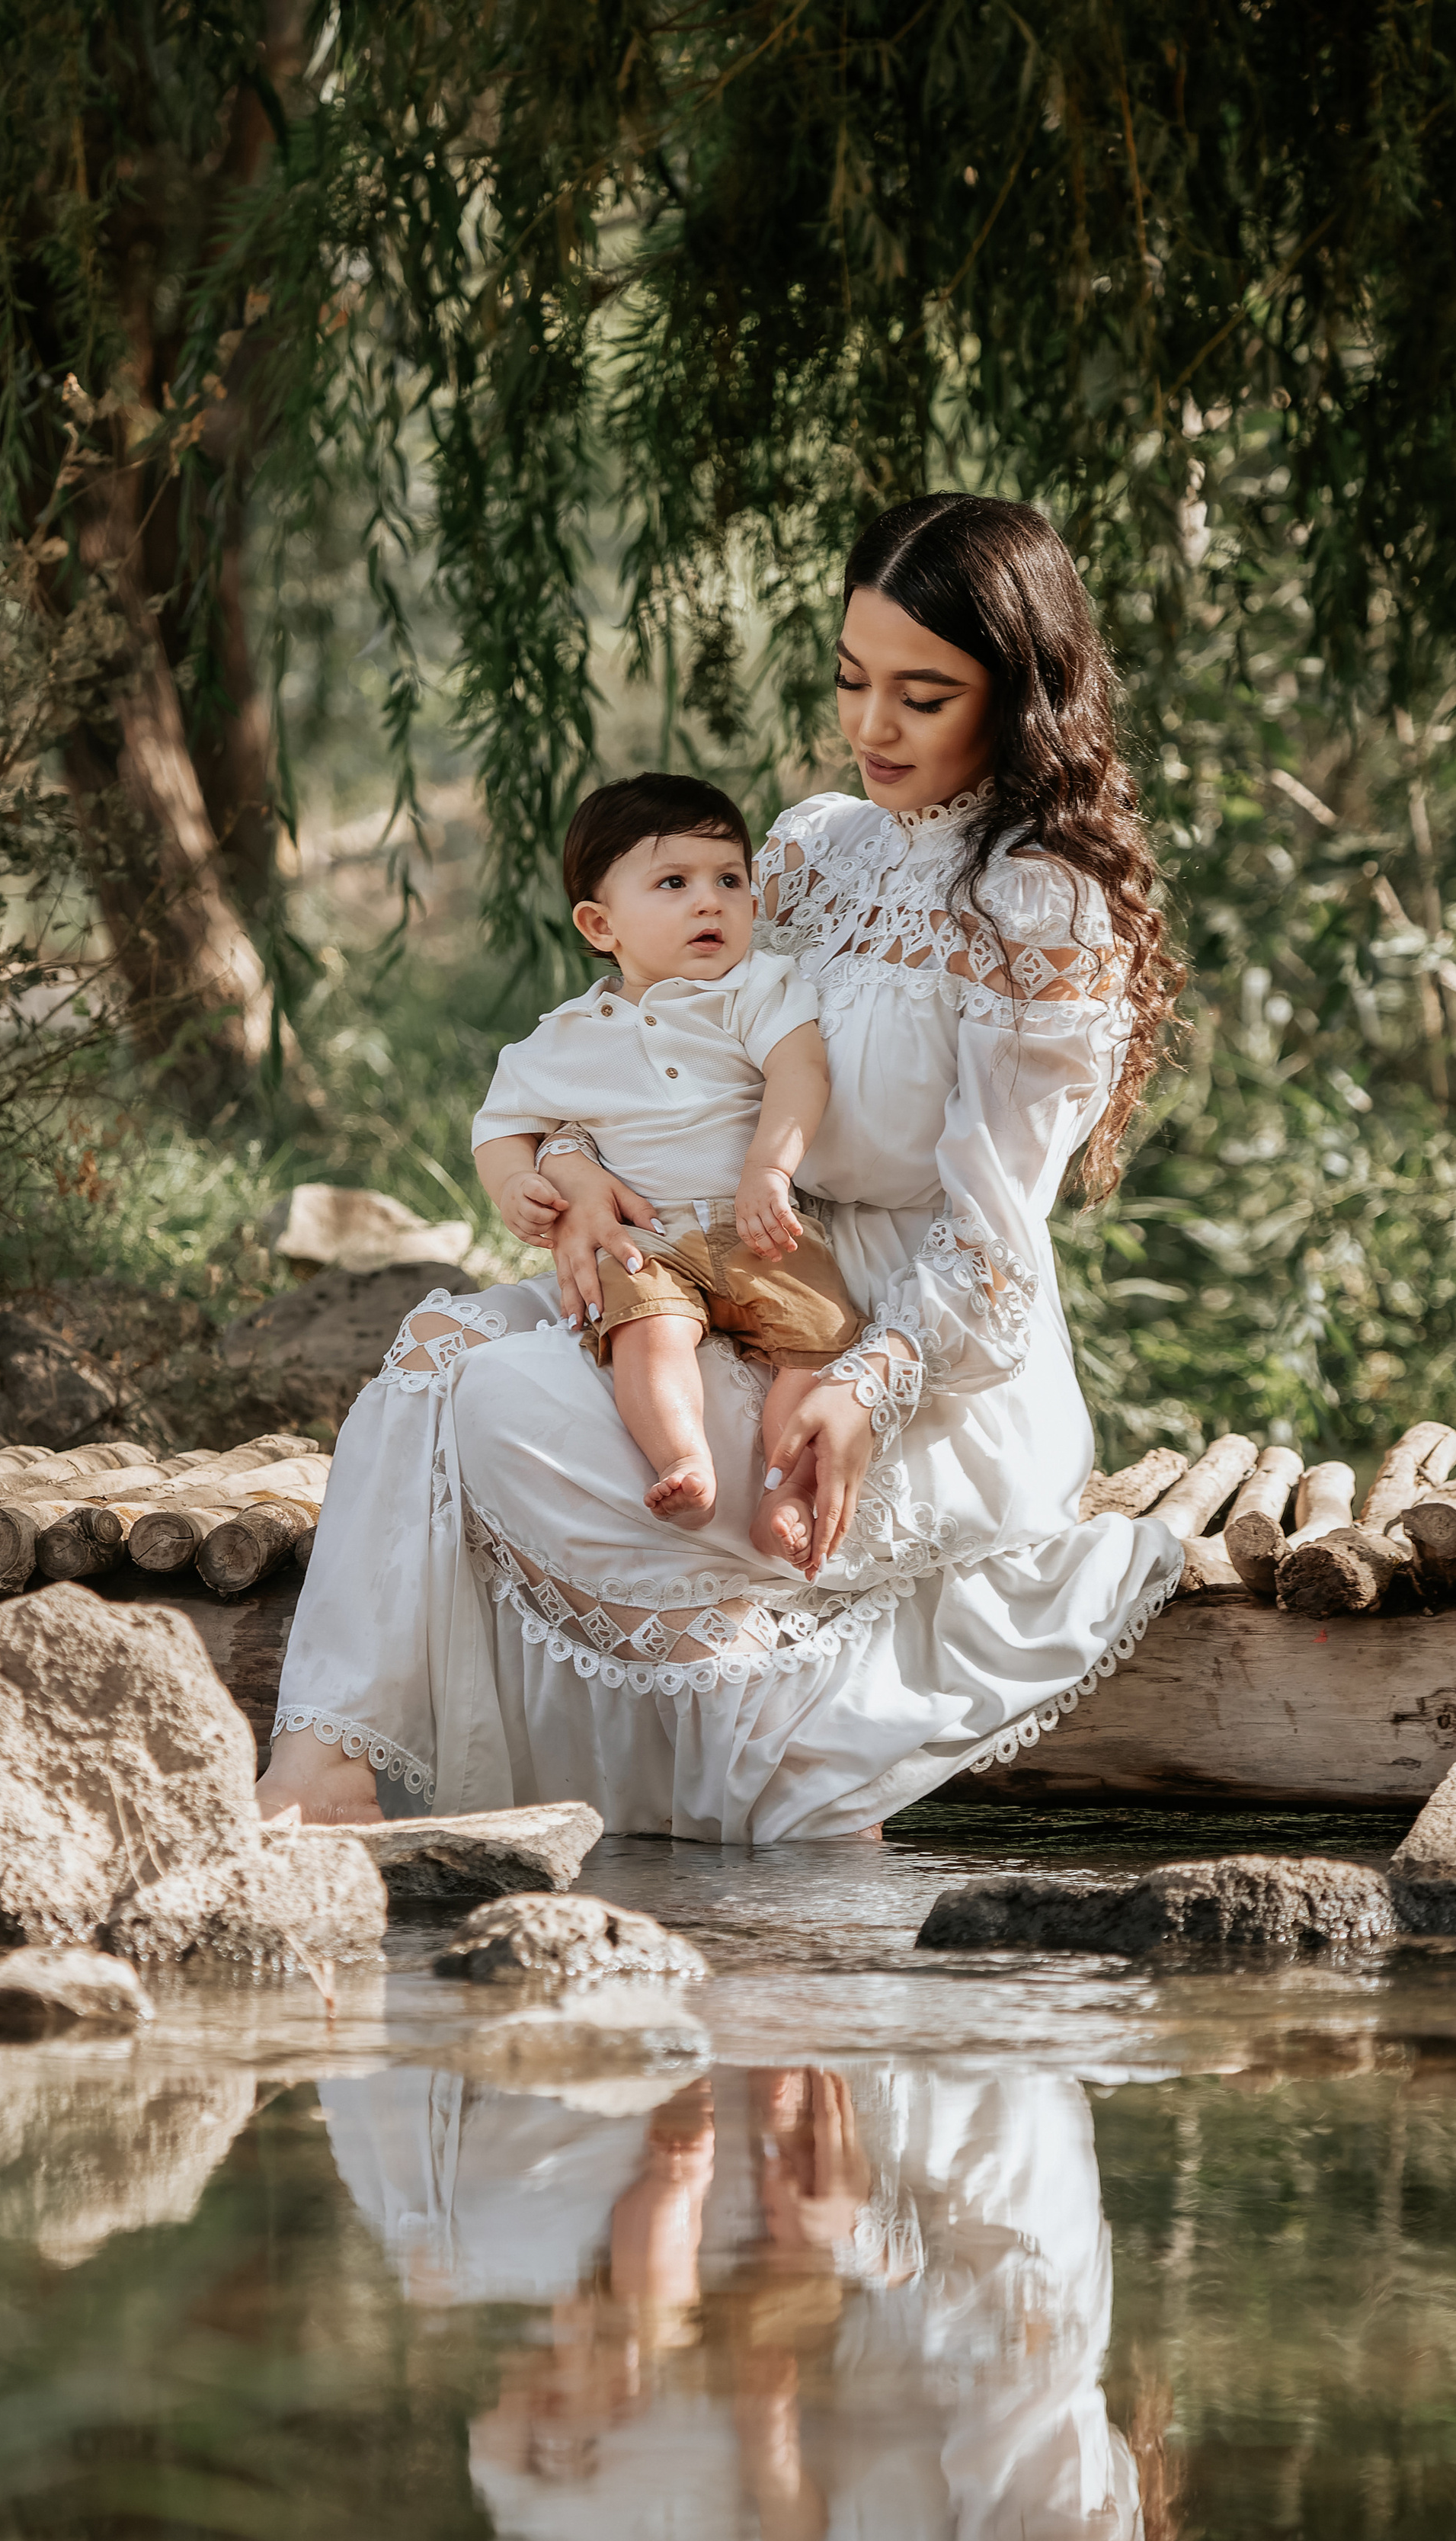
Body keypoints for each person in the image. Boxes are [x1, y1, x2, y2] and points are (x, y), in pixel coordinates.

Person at [258, 492, 1187, 1840]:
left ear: (1020, 696)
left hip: (915, 1344)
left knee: (509, 1407)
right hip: (715, 1256)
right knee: (434, 1358)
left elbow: (995, 1241)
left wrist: (869, 1388)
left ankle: (789, 1757)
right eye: (852, 680)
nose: (873, 726)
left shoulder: (1035, 902)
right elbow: (667, 1045)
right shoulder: (809, 850)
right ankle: (323, 1767)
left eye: (923, 696)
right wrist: (573, 1169)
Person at [470, 771, 861, 1558]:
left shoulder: (756, 989)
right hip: (649, 1238)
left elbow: (799, 1072)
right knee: (648, 1332)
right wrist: (515, 1182)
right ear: (600, 924)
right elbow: (500, 1126)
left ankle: (786, 1490)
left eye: (730, 880)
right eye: (674, 883)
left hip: (761, 1226)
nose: (710, 902)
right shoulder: (565, 1037)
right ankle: (681, 1457)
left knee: (821, 1342)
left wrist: (769, 1168)